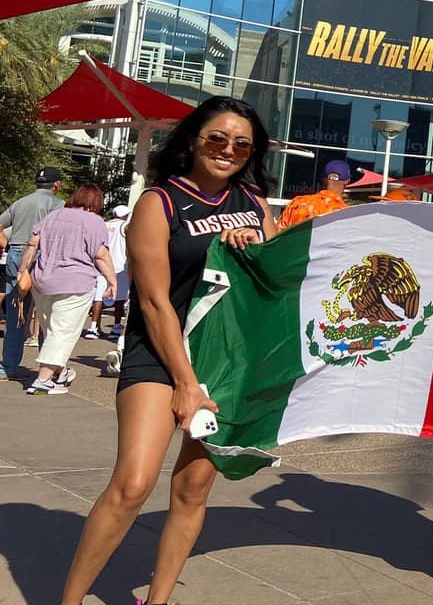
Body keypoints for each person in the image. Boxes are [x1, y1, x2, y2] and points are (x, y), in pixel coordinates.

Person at [60, 96, 277, 605]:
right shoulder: (158, 202)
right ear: (192, 140)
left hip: (224, 359)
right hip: (159, 355)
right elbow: (154, 303)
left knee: (193, 489)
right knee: (133, 484)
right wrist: (184, 382)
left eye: (242, 144)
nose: (228, 150)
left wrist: (256, 241)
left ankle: (156, 601)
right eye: (217, 139)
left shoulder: (254, 203)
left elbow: (274, 283)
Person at [16, 184, 117, 395]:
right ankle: (43, 380)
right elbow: (100, 254)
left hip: (42, 281)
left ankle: (60, 373)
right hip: (75, 283)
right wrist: (112, 281)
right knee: (62, 333)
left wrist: (23, 270)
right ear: (96, 203)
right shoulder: (94, 221)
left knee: (52, 330)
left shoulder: (53, 216)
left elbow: (32, 243)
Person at [1, 165, 65, 381]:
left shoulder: (21, 202)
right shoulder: (58, 205)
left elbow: (1, 224)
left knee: (16, 315)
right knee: (46, 316)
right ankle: (47, 371)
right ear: (56, 185)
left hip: (16, 253)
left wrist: (9, 242)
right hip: (43, 257)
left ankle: (8, 367)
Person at [86, 204, 131, 340]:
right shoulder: (124, 226)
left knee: (98, 296)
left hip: (102, 264)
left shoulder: (104, 225)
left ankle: (93, 327)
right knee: (119, 297)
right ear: (126, 215)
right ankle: (116, 327)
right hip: (120, 265)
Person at [276, 160, 352, 230]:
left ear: (323, 179)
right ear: (347, 181)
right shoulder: (345, 214)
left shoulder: (298, 202)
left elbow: (277, 234)